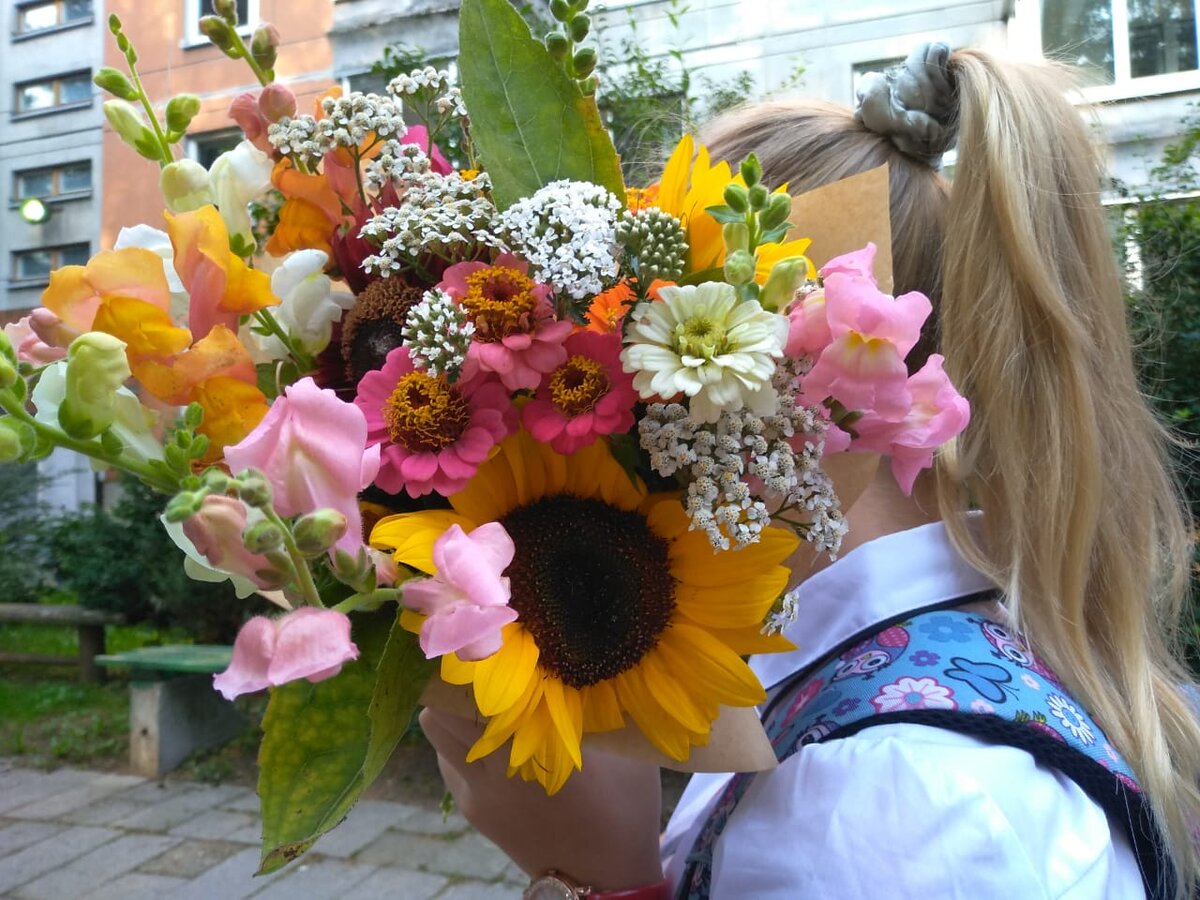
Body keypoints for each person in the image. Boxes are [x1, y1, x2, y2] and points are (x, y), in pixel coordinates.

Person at [419, 44, 1200, 899]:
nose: (581, 428)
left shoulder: (893, 807)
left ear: (754, 381)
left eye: (622, 357)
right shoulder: (924, 681)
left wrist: (598, 875)